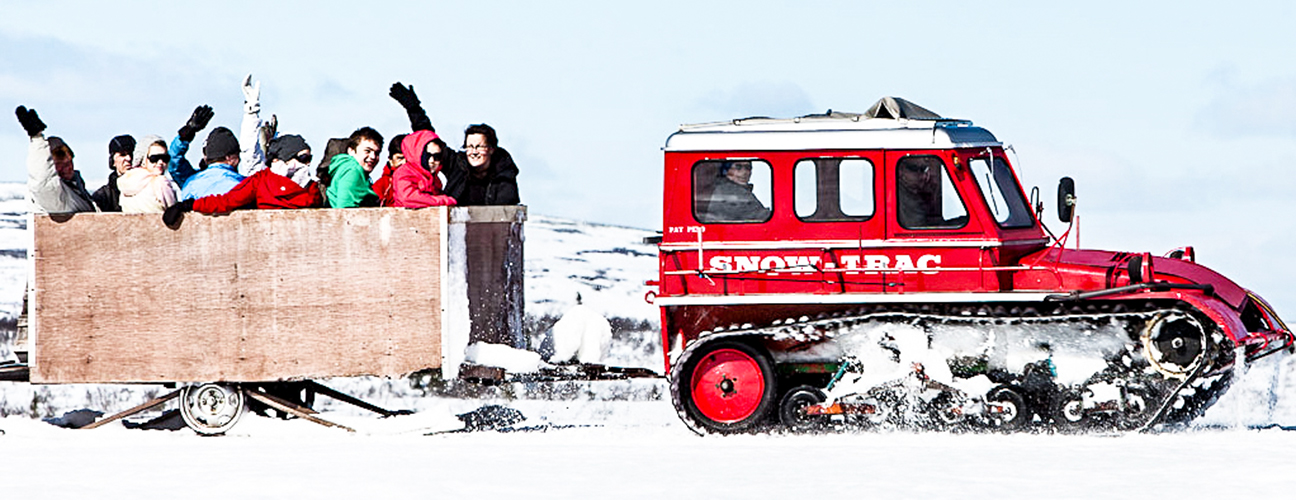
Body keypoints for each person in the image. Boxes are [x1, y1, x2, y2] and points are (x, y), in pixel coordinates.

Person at [389, 82, 520, 206]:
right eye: (469, 147)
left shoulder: (504, 175)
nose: (474, 152)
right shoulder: (459, 166)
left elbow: (506, 213)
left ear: (491, 149)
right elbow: (429, 141)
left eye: (479, 146)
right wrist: (414, 109)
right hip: (454, 226)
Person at [163, 134, 322, 227]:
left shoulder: (261, 181)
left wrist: (188, 204)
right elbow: (227, 201)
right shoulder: (311, 188)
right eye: (303, 158)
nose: (307, 163)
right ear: (285, 158)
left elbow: (225, 201)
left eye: (309, 158)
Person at [15, 106, 97, 214]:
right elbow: (43, 182)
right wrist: (37, 139)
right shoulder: (53, 196)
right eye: (60, 164)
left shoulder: (76, 188)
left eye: (69, 163)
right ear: (50, 166)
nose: (67, 168)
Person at [173, 126, 245, 201]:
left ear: (207, 157)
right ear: (230, 158)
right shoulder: (245, 187)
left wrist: (184, 136)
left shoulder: (190, 184)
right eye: (237, 155)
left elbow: (174, 164)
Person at [393, 130, 456, 208]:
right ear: (417, 154)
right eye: (427, 156)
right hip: (404, 218)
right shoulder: (404, 173)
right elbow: (407, 198)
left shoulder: (435, 180)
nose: (432, 161)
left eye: (437, 157)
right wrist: (442, 201)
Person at [118, 135, 178, 213]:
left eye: (165, 158)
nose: (160, 163)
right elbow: (172, 209)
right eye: (154, 158)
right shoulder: (160, 183)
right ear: (142, 159)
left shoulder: (125, 183)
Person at [325, 127, 383, 208]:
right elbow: (345, 208)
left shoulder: (345, 168)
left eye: (377, 153)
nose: (373, 157)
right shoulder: (353, 171)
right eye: (367, 151)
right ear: (351, 151)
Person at [704, 161, 769, 222]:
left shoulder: (726, 189)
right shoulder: (731, 191)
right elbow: (758, 215)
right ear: (726, 171)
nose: (744, 172)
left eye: (748, 168)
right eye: (738, 167)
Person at [91, 134, 136, 212]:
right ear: (113, 161)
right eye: (122, 155)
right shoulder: (102, 196)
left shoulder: (148, 190)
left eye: (131, 154)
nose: (129, 158)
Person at [371, 133, 406, 206]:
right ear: (390, 160)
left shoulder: (425, 181)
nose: (404, 163)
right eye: (400, 158)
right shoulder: (382, 186)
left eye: (408, 159)